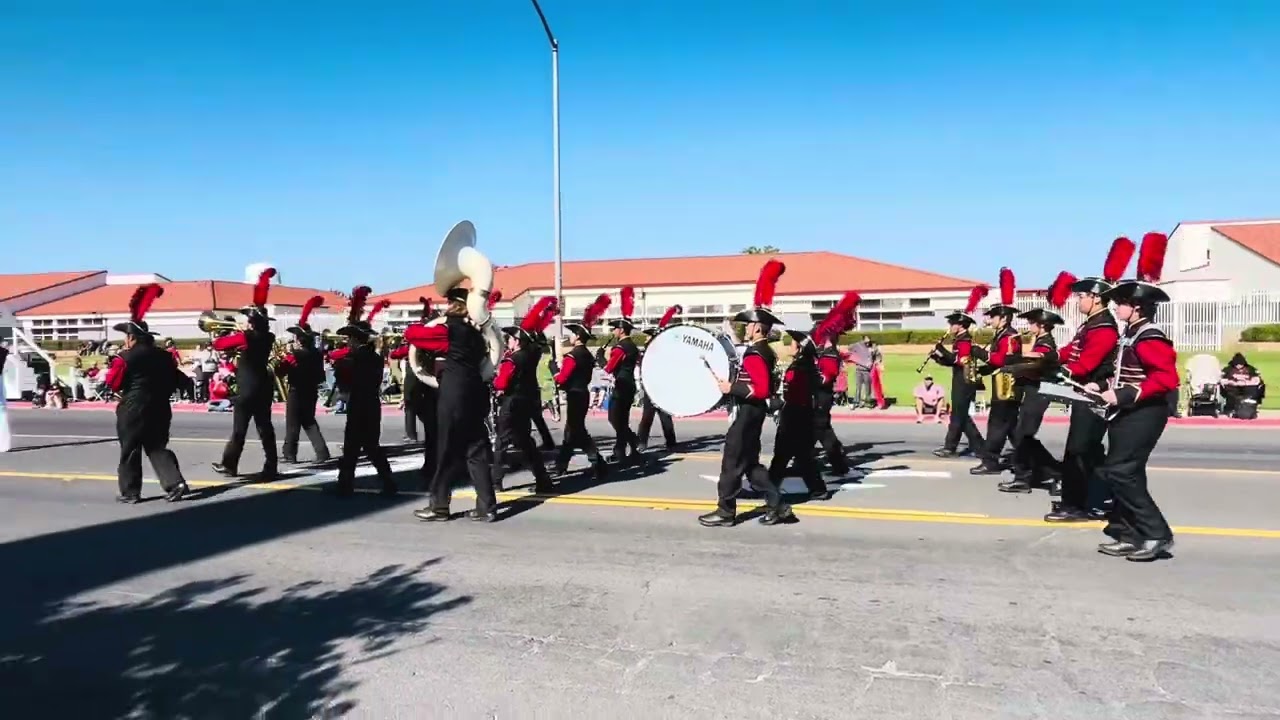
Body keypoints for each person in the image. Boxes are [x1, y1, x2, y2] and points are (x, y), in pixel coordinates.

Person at [1094, 232, 1178, 561]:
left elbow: (1165, 378)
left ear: (1137, 306)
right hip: (1128, 410)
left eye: (1122, 303)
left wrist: (1125, 395)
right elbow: (1124, 372)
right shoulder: (1131, 333)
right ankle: (1130, 533)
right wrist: (1102, 389)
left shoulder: (1149, 336)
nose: (1116, 307)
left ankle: (1157, 533)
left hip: (1145, 412)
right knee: (1124, 470)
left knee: (1120, 471)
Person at [699, 259, 794, 527]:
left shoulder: (755, 352)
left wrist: (733, 388)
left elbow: (761, 389)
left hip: (747, 414)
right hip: (754, 414)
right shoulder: (765, 351)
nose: (745, 328)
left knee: (731, 464)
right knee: (751, 467)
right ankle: (780, 505)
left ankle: (725, 511)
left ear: (757, 328)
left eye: (748, 325)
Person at [1047, 237, 1133, 523]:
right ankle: (1099, 497)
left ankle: (1076, 505)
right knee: (1091, 453)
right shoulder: (1091, 325)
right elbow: (1071, 351)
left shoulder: (1104, 328)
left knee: (1078, 451)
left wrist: (1057, 372)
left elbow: (1085, 365)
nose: (1078, 300)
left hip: (1093, 395)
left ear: (1096, 297)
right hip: (1083, 394)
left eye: (1082, 296)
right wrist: (1045, 358)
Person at [406, 287, 500, 522]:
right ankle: (487, 506)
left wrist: (431, 321)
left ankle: (439, 506)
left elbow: (412, 335)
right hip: (475, 395)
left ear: (452, 305)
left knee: (445, 451)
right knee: (476, 452)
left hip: (453, 397)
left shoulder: (448, 330)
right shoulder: (475, 334)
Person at [103, 284, 189, 503]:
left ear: (132, 337)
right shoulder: (165, 356)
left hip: (134, 408)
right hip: (160, 407)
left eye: (126, 336)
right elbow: (177, 379)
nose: (125, 340)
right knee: (157, 447)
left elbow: (113, 383)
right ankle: (175, 483)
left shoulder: (125, 357)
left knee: (130, 450)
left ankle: (131, 492)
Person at [999, 272, 1073, 494]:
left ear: (1042, 326)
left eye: (1032, 322)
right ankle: (1040, 473)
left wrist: (1013, 365)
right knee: (1024, 436)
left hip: (1039, 392)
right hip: (1033, 391)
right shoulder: (1039, 341)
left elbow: (1037, 362)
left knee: (1024, 437)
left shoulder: (1045, 344)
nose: (1029, 324)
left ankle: (1044, 475)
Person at [326, 288, 397, 497]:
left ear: (355, 339)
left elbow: (344, 384)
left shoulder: (351, 360)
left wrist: (340, 367)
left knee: (351, 448)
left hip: (359, 404)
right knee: (372, 448)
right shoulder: (374, 357)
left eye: (349, 338)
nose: (347, 341)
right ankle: (388, 481)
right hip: (373, 405)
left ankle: (345, 485)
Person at [212, 268, 280, 480]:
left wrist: (238, 331)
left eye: (249, 320)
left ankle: (229, 465)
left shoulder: (246, 337)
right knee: (264, 428)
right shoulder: (268, 336)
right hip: (263, 387)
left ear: (252, 322)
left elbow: (219, 344)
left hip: (247, 389)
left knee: (239, 430)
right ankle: (271, 466)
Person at [492, 296, 558, 494]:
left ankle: (495, 481)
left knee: (501, 443)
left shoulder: (512, 360)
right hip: (527, 402)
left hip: (511, 404)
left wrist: (494, 381)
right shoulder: (531, 355)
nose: (509, 341)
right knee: (526, 443)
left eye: (511, 338)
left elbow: (501, 383)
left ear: (518, 341)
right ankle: (542, 479)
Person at [550, 295, 611, 481]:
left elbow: (562, 379)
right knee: (571, 431)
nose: (571, 335)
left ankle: (598, 463)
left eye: (573, 333)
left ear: (578, 337)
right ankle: (562, 465)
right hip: (582, 393)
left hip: (575, 395)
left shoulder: (573, 356)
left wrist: (553, 370)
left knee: (577, 432)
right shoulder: (586, 354)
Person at [968, 268, 1022, 476]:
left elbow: (1002, 359)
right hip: (1002, 383)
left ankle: (990, 461)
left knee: (997, 425)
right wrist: (982, 369)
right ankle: (1029, 459)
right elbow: (996, 361)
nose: (989, 320)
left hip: (1007, 386)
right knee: (1012, 429)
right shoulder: (1001, 335)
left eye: (993, 317)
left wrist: (979, 353)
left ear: (1003, 318)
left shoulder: (1010, 336)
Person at [929, 285, 989, 458]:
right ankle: (980, 446)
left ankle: (950, 447)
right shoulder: (959, 340)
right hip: (960, 378)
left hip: (964, 381)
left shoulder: (964, 341)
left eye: (952, 323)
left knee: (957, 415)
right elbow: (952, 363)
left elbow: (960, 361)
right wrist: (937, 357)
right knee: (961, 416)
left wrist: (941, 348)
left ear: (961, 325)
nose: (950, 325)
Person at [768, 329, 829, 500]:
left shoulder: (800, 368)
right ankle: (817, 488)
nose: (789, 346)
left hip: (795, 414)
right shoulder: (805, 365)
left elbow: (795, 395)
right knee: (801, 456)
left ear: (800, 348)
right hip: (801, 413)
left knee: (783, 454)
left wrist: (777, 402)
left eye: (793, 343)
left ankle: (769, 486)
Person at [278, 295, 331, 465]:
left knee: (293, 424)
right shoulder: (316, 353)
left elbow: (280, 371)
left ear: (299, 339)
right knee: (309, 422)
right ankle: (322, 452)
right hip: (311, 391)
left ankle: (290, 454)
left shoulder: (296, 355)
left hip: (297, 391)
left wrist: (283, 359)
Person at [812, 293, 860, 477]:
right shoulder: (821, 352)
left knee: (823, 432)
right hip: (817, 396)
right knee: (815, 432)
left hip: (822, 397)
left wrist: (809, 375)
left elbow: (825, 377)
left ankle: (839, 464)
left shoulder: (830, 354)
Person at [601, 286, 643, 464]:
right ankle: (622, 451)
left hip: (621, 385)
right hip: (629, 383)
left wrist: (600, 360)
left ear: (621, 330)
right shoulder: (632, 346)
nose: (613, 331)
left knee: (615, 419)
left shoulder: (620, 348)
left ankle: (632, 442)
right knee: (621, 419)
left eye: (614, 329)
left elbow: (609, 368)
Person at [637, 305, 681, 451]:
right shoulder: (654, 352)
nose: (646, 339)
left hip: (655, 388)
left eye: (648, 337)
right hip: (656, 388)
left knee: (650, 418)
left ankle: (643, 443)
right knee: (660, 417)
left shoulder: (656, 353)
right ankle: (670, 442)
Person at [1220, 352, 1264, 417]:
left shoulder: (1251, 369)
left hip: (1248, 387)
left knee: (1257, 389)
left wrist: (1246, 383)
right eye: (1237, 364)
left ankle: (1250, 407)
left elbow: (1257, 380)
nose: (1239, 366)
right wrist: (1232, 382)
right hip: (1232, 388)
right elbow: (1222, 380)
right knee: (1230, 393)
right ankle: (1230, 408)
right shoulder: (1228, 369)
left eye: (1240, 364)